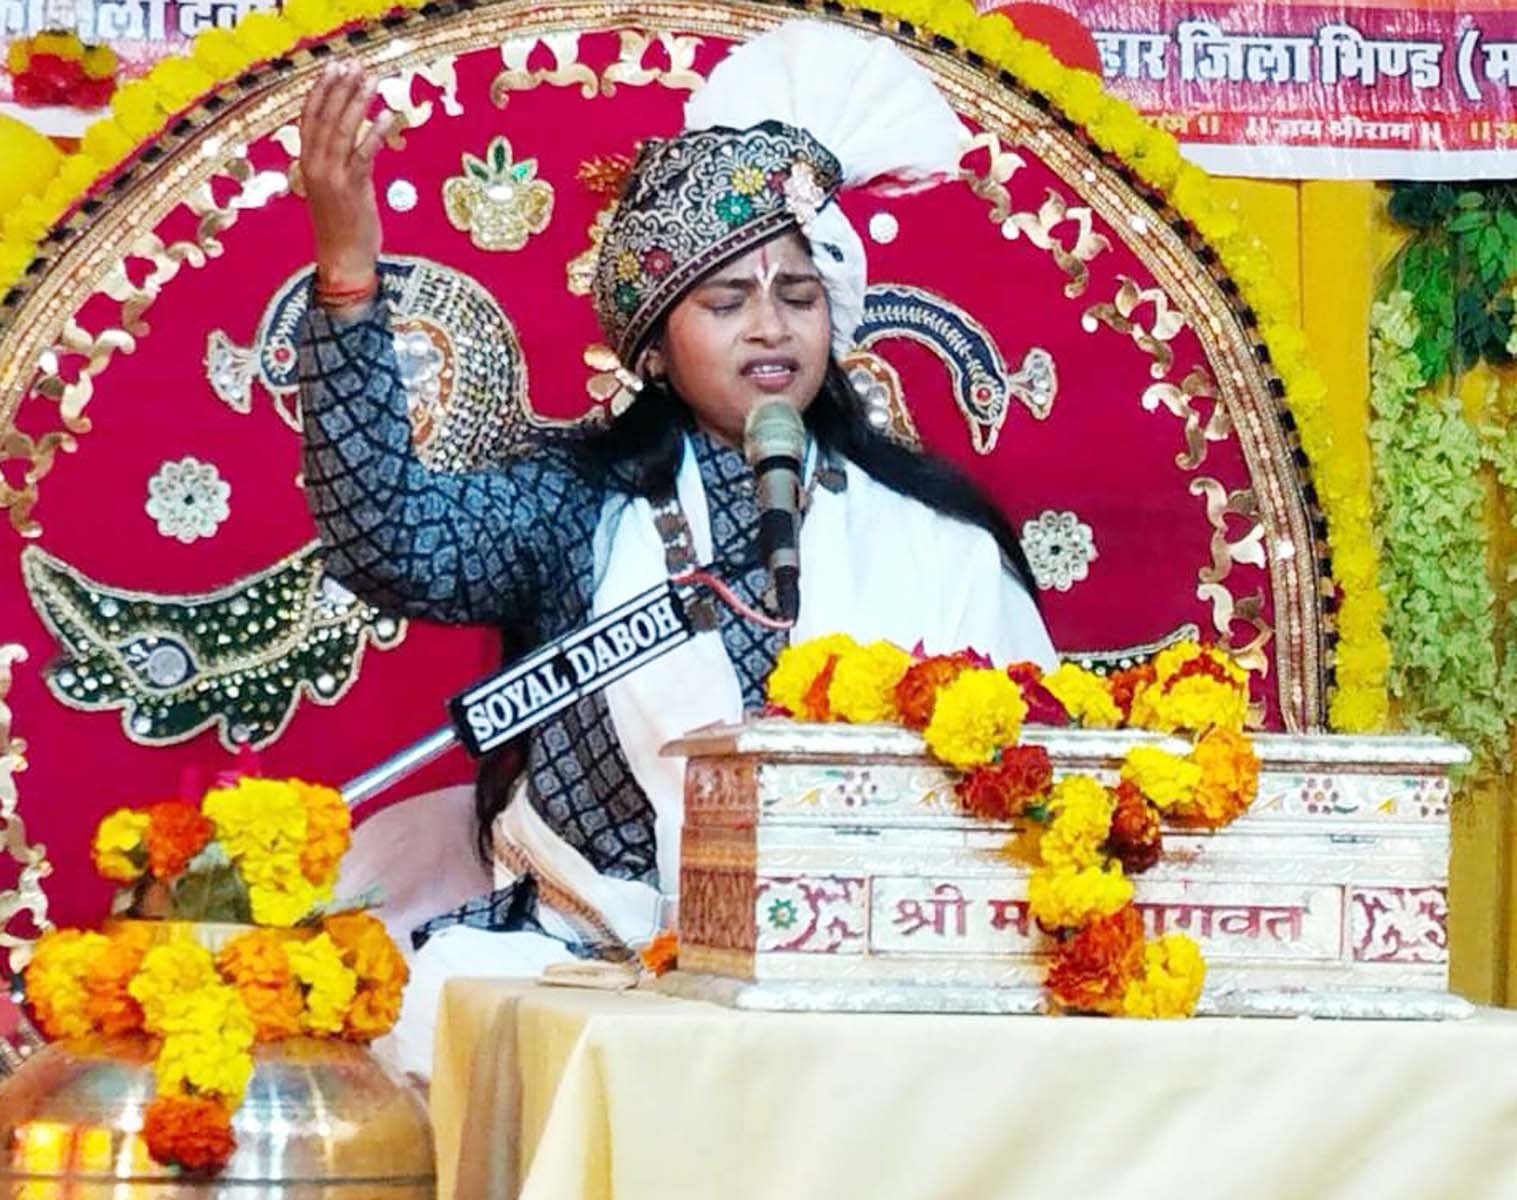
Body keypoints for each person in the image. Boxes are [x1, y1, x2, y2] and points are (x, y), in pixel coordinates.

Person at [297, 20, 1056, 1078]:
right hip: (593, 968)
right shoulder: (577, 506)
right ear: (655, 345)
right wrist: (347, 275)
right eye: (726, 301)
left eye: (797, 298)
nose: (769, 329)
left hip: (878, 992)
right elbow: (388, 539)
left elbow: (1036, 770)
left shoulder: (935, 535)